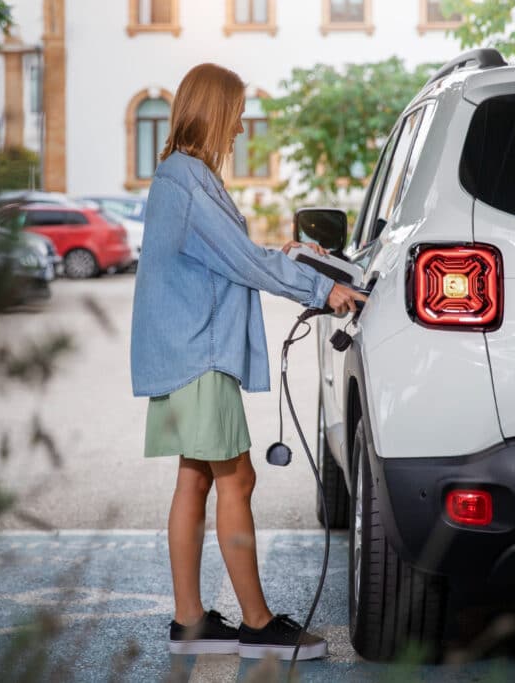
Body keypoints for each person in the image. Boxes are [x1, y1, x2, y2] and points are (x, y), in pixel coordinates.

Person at [129, 63, 366, 661]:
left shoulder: (180, 175)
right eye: (235, 115)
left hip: (184, 352)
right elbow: (242, 261)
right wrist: (323, 289)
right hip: (199, 356)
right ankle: (258, 626)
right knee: (237, 478)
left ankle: (190, 621)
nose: (238, 128)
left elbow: (229, 254)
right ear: (212, 111)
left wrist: (289, 254)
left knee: (196, 477)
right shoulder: (190, 181)